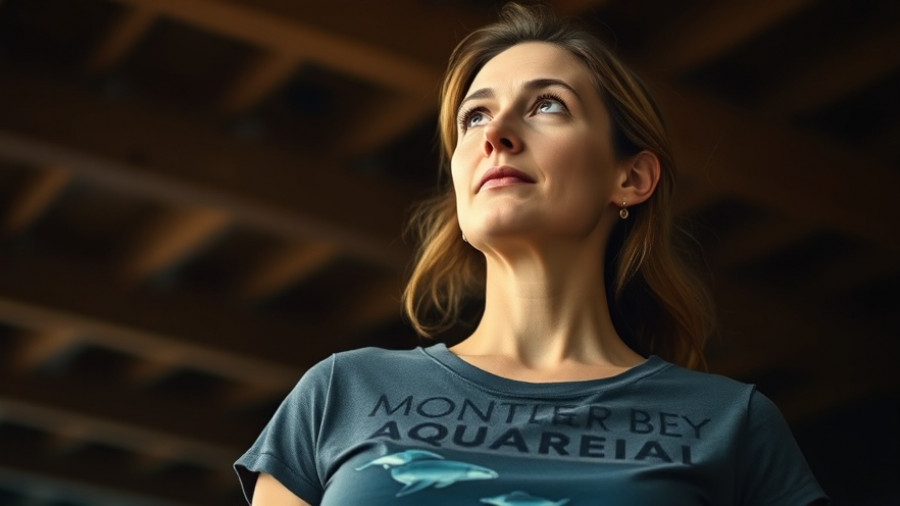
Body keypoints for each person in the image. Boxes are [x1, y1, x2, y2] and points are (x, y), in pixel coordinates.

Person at [234, 3, 828, 505]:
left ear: (631, 178)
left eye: (548, 105)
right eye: (475, 116)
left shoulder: (734, 423)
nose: (496, 134)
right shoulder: (341, 391)